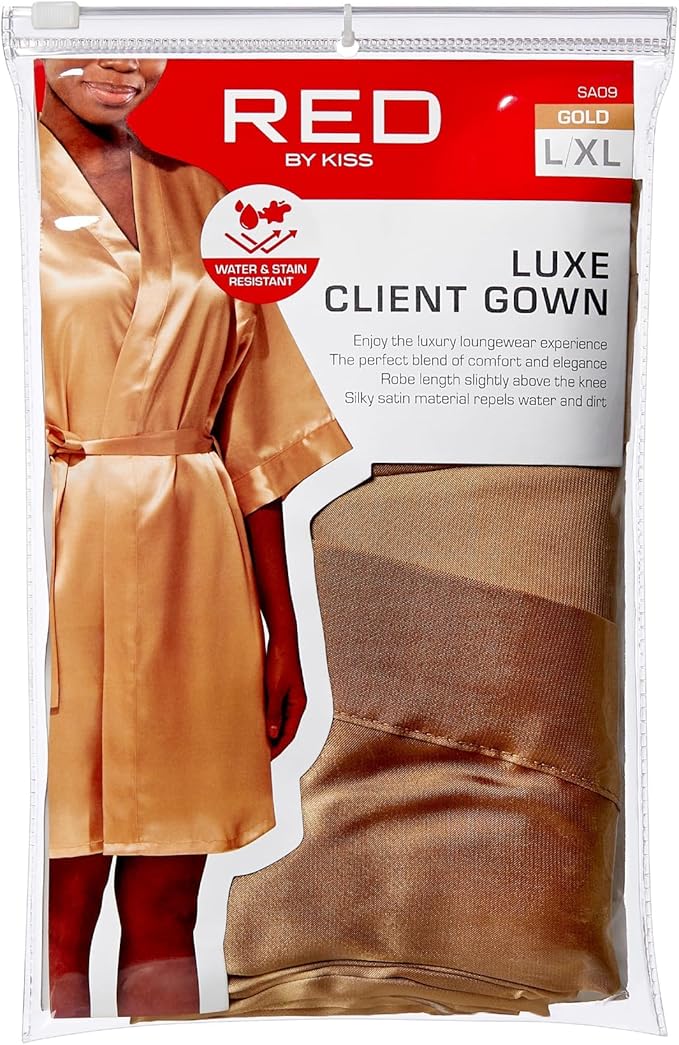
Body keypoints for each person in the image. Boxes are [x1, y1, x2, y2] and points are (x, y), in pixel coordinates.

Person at [38, 57, 351, 1019]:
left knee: (169, 900)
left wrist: (284, 632)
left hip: (193, 563)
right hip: (47, 561)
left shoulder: (205, 198)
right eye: (97, 32)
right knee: (50, 907)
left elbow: (252, 440)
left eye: (145, 39)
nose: (123, 65)